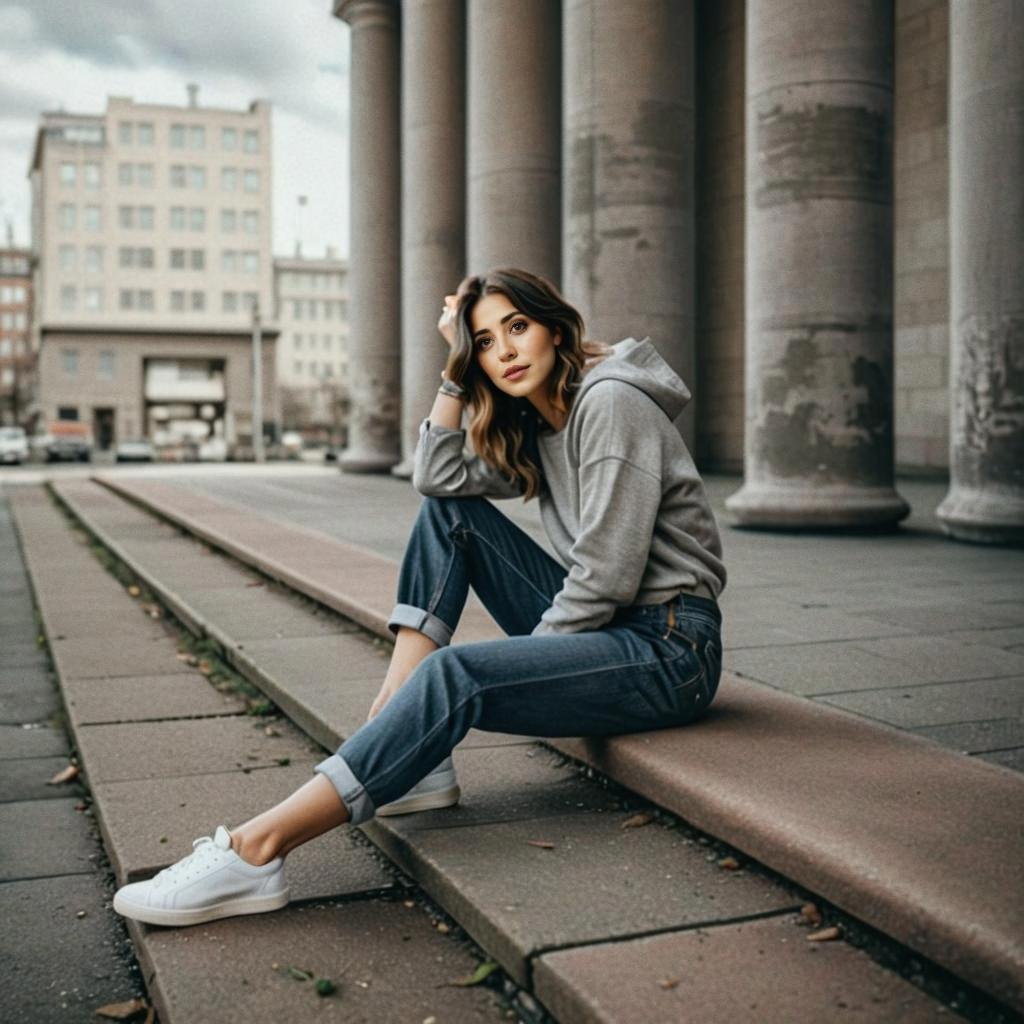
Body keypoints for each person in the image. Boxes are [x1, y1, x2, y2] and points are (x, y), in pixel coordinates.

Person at [113, 267, 727, 928]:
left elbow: (605, 577)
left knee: (456, 673)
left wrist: (526, 669)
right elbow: (436, 478)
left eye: (517, 327)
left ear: (556, 327)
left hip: (671, 648)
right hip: (616, 627)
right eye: (486, 343)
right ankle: (404, 733)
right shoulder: (535, 422)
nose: (507, 352)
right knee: (449, 519)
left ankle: (256, 850)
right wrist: (454, 374)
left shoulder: (610, 405)